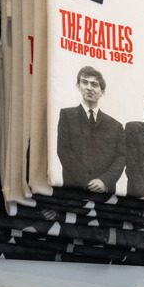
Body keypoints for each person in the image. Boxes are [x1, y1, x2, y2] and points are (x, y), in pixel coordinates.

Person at [56, 66, 125, 194]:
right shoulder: (67, 116)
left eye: (94, 84)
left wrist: (104, 181)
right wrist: (87, 182)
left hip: (104, 195)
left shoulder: (116, 126)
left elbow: (121, 158)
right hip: (74, 192)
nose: (89, 87)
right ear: (78, 86)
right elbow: (63, 151)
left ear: (102, 91)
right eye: (84, 82)